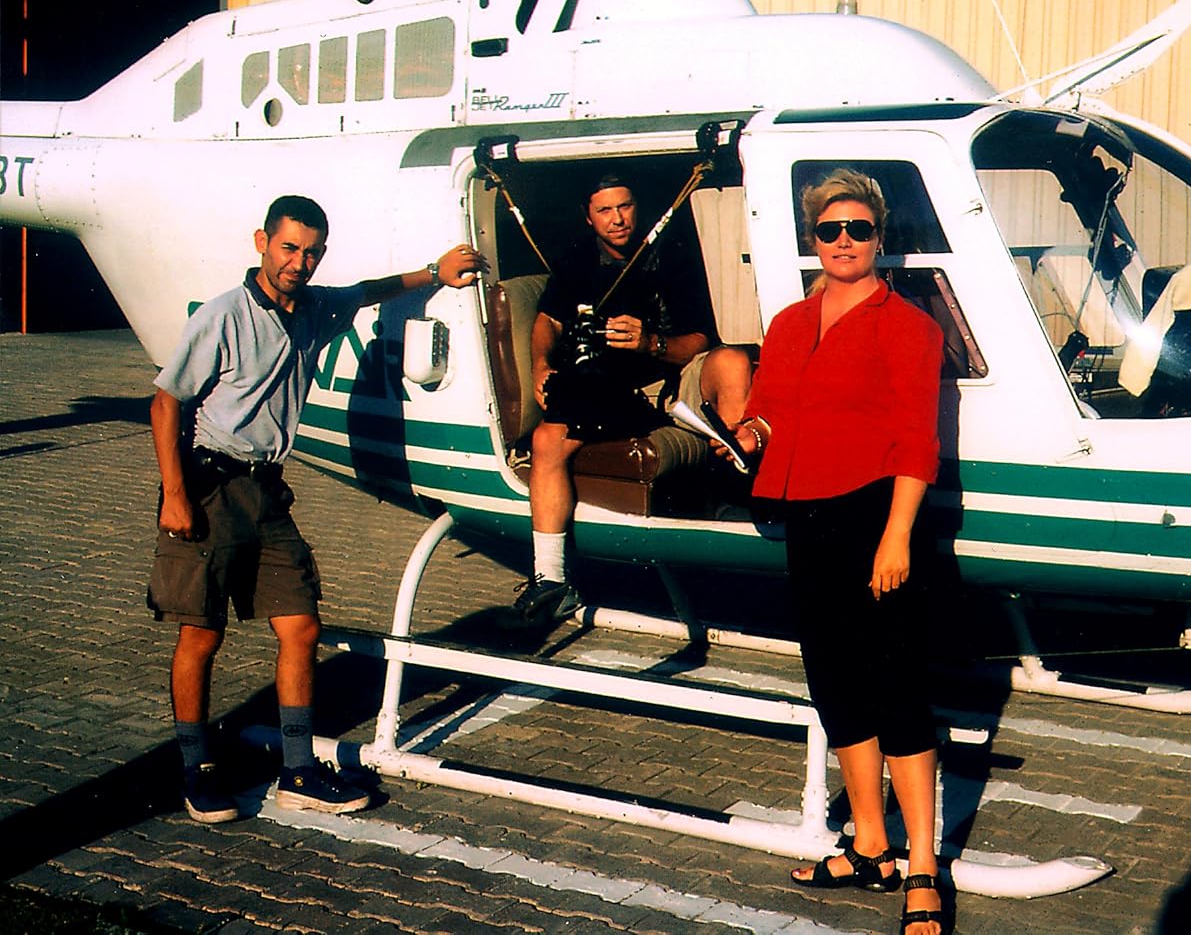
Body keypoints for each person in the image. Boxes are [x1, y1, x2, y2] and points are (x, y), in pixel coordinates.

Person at [149, 194, 485, 824]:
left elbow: (367, 291)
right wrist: (174, 495)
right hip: (209, 485)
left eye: (310, 252)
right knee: (201, 633)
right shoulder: (225, 315)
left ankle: (298, 770)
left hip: (266, 491)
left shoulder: (314, 308)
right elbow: (166, 401)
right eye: (288, 248)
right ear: (262, 242)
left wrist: (433, 274)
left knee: (300, 625)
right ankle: (197, 771)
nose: (297, 263)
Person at [722, 170, 947, 934]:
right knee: (836, 682)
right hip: (808, 520)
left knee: (896, 687)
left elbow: (917, 441)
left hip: (875, 516)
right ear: (811, 239)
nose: (843, 241)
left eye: (858, 229)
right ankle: (869, 844)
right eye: (829, 230)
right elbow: (770, 410)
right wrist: (748, 431)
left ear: (880, 238)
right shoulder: (790, 323)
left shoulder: (908, 326)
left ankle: (922, 867)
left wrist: (896, 536)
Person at [501, 172, 751, 629]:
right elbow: (548, 321)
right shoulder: (577, 259)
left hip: (671, 376)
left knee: (733, 361)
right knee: (547, 440)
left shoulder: (673, 255)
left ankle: (742, 504)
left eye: (625, 206)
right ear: (588, 217)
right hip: (609, 389)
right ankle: (551, 579)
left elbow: (699, 339)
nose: (617, 219)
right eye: (605, 210)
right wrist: (539, 365)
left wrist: (651, 343)